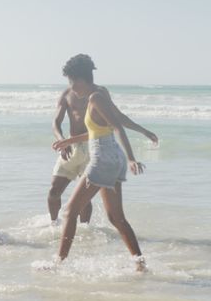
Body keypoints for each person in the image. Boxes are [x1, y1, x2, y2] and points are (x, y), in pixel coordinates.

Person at [52, 54, 148, 271]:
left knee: (69, 212)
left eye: (72, 81)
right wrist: (69, 140)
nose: (71, 87)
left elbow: (117, 127)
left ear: (83, 78)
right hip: (112, 159)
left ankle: (58, 264)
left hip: (103, 161)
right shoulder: (101, 94)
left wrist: (132, 157)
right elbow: (101, 131)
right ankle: (140, 264)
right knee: (116, 218)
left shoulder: (95, 97)